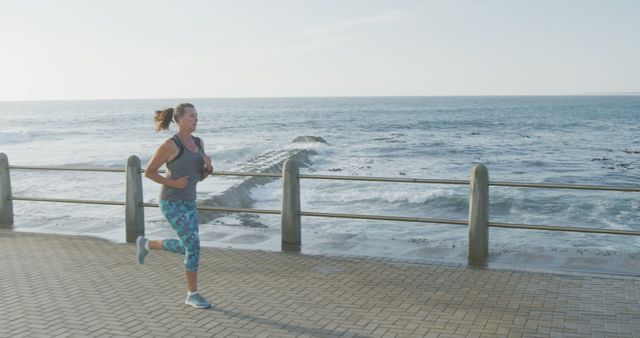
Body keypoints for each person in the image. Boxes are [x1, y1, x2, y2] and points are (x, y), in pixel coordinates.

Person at [135, 103, 213, 309]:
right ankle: (192, 294)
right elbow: (149, 171)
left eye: (197, 116)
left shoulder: (198, 142)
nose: (196, 119)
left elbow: (200, 177)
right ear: (179, 120)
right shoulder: (170, 145)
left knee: (190, 246)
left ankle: (146, 244)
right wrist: (173, 183)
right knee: (193, 247)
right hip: (171, 202)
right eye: (191, 116)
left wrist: (209, 168)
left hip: (189, 202)